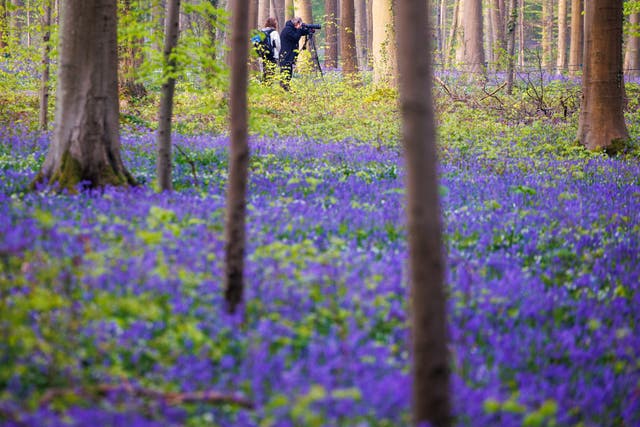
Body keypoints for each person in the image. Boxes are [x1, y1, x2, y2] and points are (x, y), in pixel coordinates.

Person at [279, 17, 310, 90]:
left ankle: (285, 88)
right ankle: (283, 89)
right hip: (285, 55)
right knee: (285, 72)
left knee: (288, 73)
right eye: (300, 24)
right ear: (296, 23)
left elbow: (299, 33)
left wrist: (308, 31)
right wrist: (299, 29)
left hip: (288, 55)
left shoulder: (292, 29)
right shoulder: (288, 30)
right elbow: (296, 37)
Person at [259, 17, 281, 83]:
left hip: (262, 56)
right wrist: (278, 52)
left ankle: (263, 89)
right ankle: (268, 89)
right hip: (272, 56)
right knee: (271, 75)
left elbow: (254, 41)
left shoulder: (261, 31)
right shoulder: (274, 33)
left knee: (264, 73)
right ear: (274, 24)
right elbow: (278, 45)